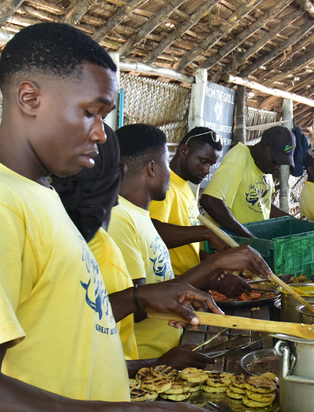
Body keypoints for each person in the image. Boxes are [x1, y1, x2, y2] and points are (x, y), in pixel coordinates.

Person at [0, 22, 240, 412]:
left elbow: (62, 325)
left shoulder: (37, 194)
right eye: (91, 112)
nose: (101, 134)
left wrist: (143, 299)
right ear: (30, 99)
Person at [52, 124, 222, 372]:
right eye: (165, 163)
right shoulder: (116, 225)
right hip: (131, 368)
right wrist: (155, 363)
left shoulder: (134, 217)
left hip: (144, 363)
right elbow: (122, 314)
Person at [111, 124, 270, 359]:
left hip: (167, 346)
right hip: (141, 358)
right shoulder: (120, 220)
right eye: (166, 164)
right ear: (153, 168)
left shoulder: (140, 215)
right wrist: (214, 263)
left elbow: (159, 278)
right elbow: (135, 308)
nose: (170, 173)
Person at [149, 126, 229, 275]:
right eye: (203, 161)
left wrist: (215, 263)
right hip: (170, 286)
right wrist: (206, 233)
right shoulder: (166, 187)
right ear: (184, 151)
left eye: (210, 165)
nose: (207, 170)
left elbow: (187, 251)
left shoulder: (184, 186)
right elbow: (153, 231)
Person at [200, 125, 295, 238]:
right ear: (263, 146)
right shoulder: (238, 158)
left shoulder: (264, 166)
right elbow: (210, 200)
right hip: (226, 244)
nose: (277, 167)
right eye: (275, 161)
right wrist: (248, 236)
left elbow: (264, 205)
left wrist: (294, 222)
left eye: (281, 163)